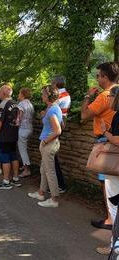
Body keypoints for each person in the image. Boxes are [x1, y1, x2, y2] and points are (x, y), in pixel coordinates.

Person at [81, 62, 119, 236]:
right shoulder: (116, 92)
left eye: (98, 75)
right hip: (112, 140)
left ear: (105, 76)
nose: (96, 78)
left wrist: (87, 96)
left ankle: (111, 220)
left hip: (107, 141)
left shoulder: (105, 96)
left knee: (107, 183)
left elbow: (84, 116)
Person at [28, 85, 62, 207]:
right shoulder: (52, 108)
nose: (42, 95)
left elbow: (58, 130)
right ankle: (41, 193)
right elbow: (61, 125)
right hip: (49, 142)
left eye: (43, 94)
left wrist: (46, 141)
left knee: (49, 171)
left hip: (49, 143)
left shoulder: (53, 110)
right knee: (44, 170)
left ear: (48, 96)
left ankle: (54, 200)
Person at [100, 86, 119, 257]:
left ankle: (114, 246)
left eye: (110, 97)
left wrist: (105, 131)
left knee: (114, 207)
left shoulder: (118, 116)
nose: (108, 100)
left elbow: (117, 139)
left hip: (115, 168)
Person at [0, 84, 21, 189]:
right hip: (14, 134)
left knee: (5, 157)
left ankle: (6, 181)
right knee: (13, 156)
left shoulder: (3, 105)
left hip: (4, 135)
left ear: (4, 93)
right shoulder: (16, 103)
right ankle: (15, 178)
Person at [51, 75, 71, 193]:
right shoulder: (63, 95)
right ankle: (57, 184)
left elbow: (51, 108)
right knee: (51, 156)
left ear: (55, 83)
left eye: (52, 83)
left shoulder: (62, 95)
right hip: (57, 126)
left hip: (56, 127)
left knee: (51, 156)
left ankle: (60, 185)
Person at [16, 88, 34, 177]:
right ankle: (24, 165)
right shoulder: (30, 104)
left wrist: (16, 124)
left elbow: (19, 117)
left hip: (23, 129)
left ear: (23, 94)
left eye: (19, 93)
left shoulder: (21, 104)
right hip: (30, 128)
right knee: (25, 148)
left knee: (22, 150)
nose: (18, 95)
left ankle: (27, 170)